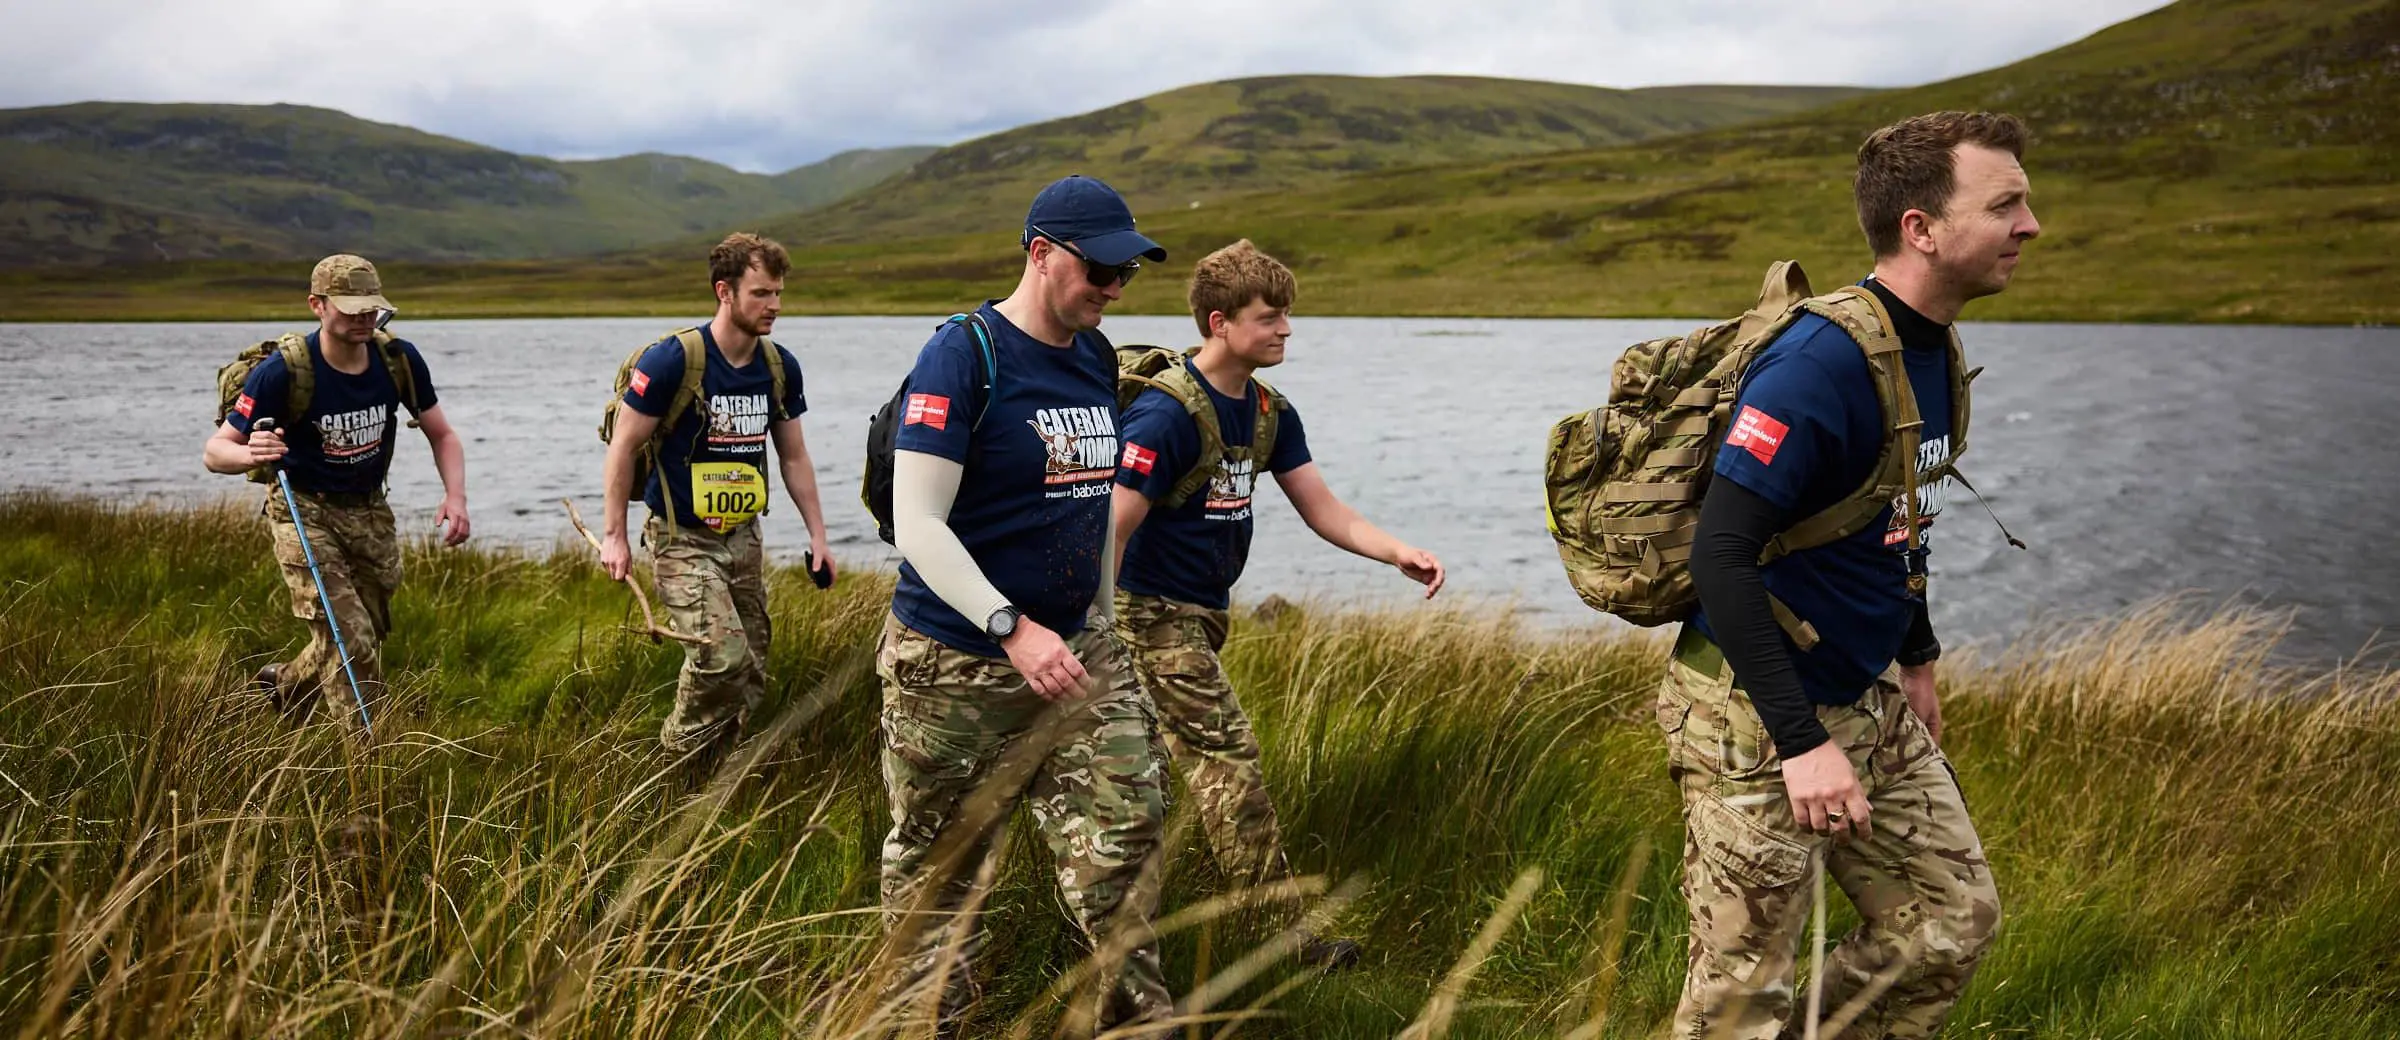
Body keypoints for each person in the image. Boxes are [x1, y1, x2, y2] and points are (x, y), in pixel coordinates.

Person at [1665, 111, 2037, 1038]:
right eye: (2007, 205)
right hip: (1753, 715)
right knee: (1741, 1001)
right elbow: (1720, 555)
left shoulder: (1934, 347)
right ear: (1922, 228)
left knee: (1949, 925)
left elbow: (1897, 514)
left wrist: (1917, 657)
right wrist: (1800, 742)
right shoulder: (1816, 363)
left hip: (1868, 697)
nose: (2032, 226)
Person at [877, 174, 1173, 1034]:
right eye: (1101, 271)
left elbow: (1088, 509)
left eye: (1128, 276)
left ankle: (1138, 1021)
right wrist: (1010, 628)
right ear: (1041, 254)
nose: (1114, 290)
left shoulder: (1094, 356)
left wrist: (1104, 624)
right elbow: (917, 523)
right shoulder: (963, 355)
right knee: (940, 876)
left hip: (1080, 653)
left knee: (1127, 832)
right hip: (953, 666)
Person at [1109, 239, 1444, 969]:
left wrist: (1396, 553)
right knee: (1230, 759)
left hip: (1202, 615)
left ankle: (1150, 916)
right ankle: (1288, 946)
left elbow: (1321, 508)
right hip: (1147, 615)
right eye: (1269, 318)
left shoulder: (1268, 411)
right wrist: (1082, 622)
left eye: (1287, 315)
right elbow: (1113, 523)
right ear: (1220, 322)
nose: (1286, 329)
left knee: (1153, 775)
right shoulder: (1168, 416)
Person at [204, 253, 470, 731]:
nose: (364, 318)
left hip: (370, 512)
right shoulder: (282, 372)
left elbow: (442, 435)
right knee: (351, 641)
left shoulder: (398, 360)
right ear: (317, 306)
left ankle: (281, 687)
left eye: (371, 307)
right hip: (304, 511)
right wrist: (253, 454)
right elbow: (216, 451)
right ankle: (367, 765)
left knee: (364, 630)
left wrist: (456, 498)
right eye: (350, 308)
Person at [599, 232, 833, 762]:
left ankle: (718, 771)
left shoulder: (778, 366)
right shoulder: (672, 362)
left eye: (777, 293)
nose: (773, 306)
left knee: (751, 668)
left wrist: (819, 537)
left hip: (744, 539)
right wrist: (614, 537)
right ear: (724, 292)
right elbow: (623, 447)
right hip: (681, 539)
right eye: (760, 294)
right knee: (720, 659)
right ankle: (673, 762)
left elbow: (794, 456)